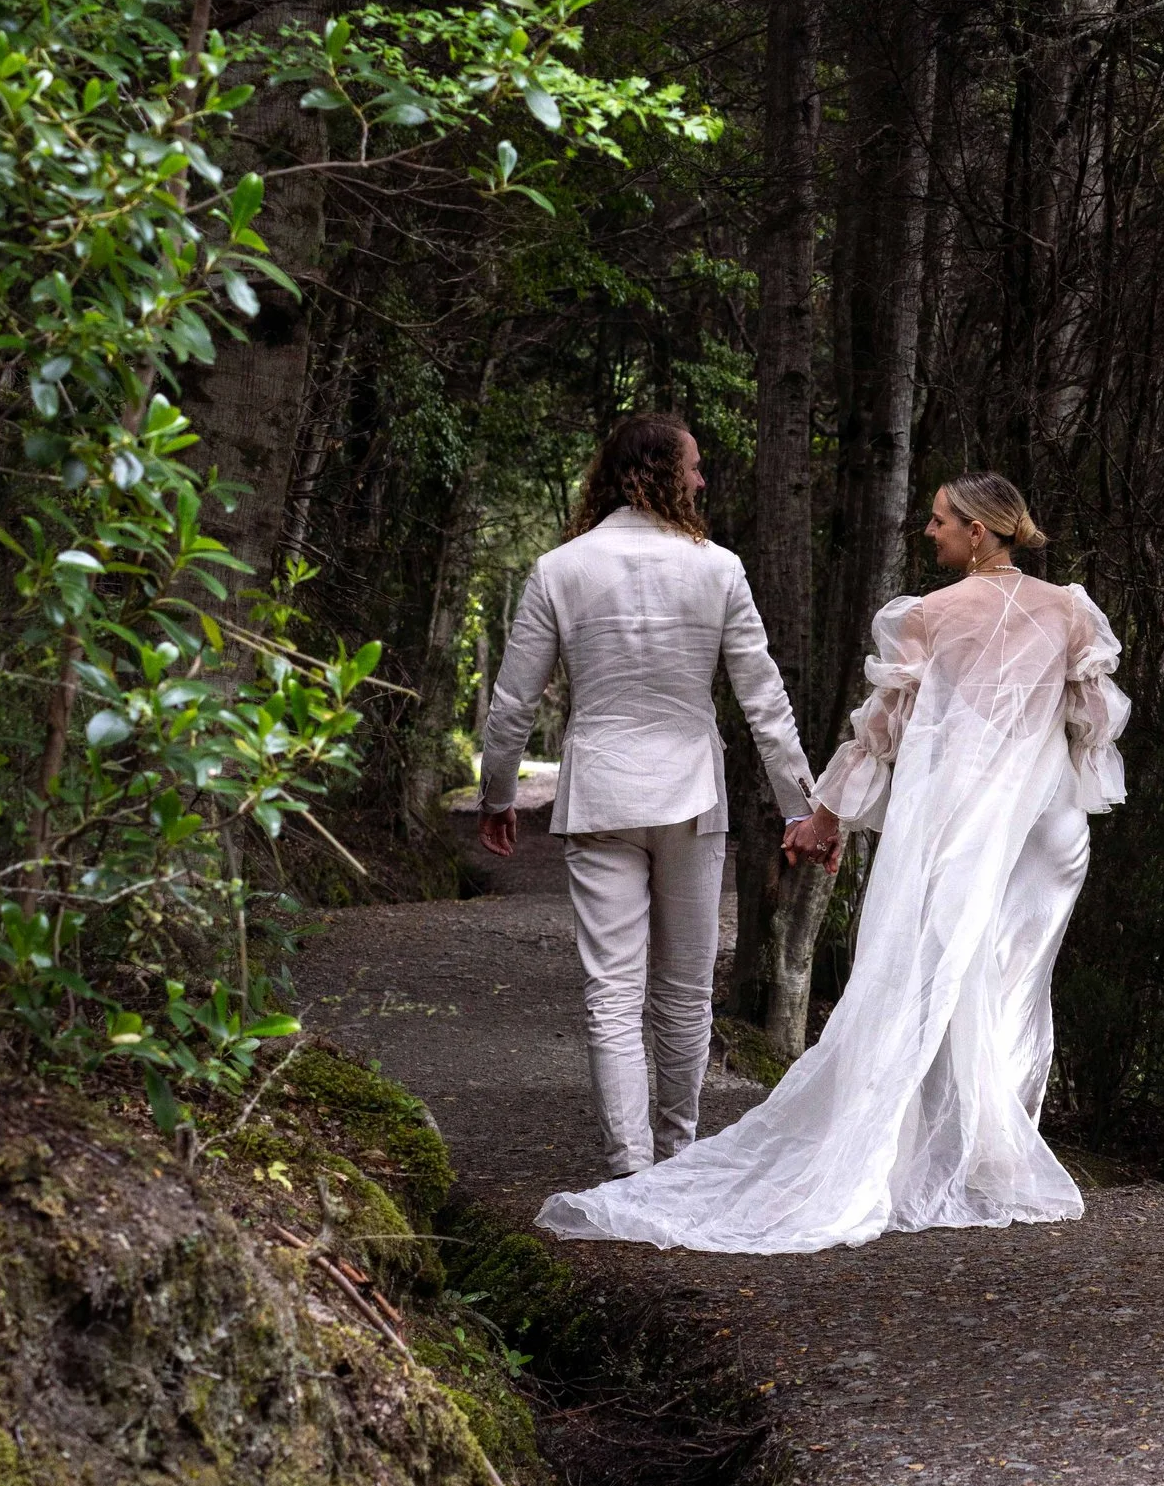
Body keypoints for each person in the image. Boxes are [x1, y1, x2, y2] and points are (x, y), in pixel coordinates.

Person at [537, 473, 1127, 1253]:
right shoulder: (1071, 612)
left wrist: (824, 815)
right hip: (1046, 829)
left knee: (933, 974)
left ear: (980, 532)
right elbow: (1091, 723)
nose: (929, 530)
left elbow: (880, 733)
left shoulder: (928, 616)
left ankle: (926, 1149)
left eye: (941, 520)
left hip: (958, 823)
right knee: (1013, 976)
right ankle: (992, 1151)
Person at [478, 411, 815, 1180]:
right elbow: (764, 700)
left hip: (600, 794)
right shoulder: (717, 568)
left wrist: (499, 794)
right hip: (691, 796)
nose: (702, 480)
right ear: (659, 471)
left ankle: (630, 1169)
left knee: (611, 988)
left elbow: (511, 704)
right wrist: (800, 805)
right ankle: (677, 1155)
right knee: (686, 990)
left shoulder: (560, 569)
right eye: (693, 466)